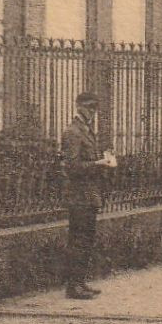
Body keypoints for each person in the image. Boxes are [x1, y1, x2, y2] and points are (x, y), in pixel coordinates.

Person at [61, 91, 112, 299]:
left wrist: (105, 159)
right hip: (78, 195)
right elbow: (72, 167)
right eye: (88, 107)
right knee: (78, 241)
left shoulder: (87, 131)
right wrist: (97, 164)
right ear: (78, 107)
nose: (92, 112)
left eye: (94, 108)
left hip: (89, 194)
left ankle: (80, 282)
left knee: (86, 240)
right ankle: (73, 286)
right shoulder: (72, 132)